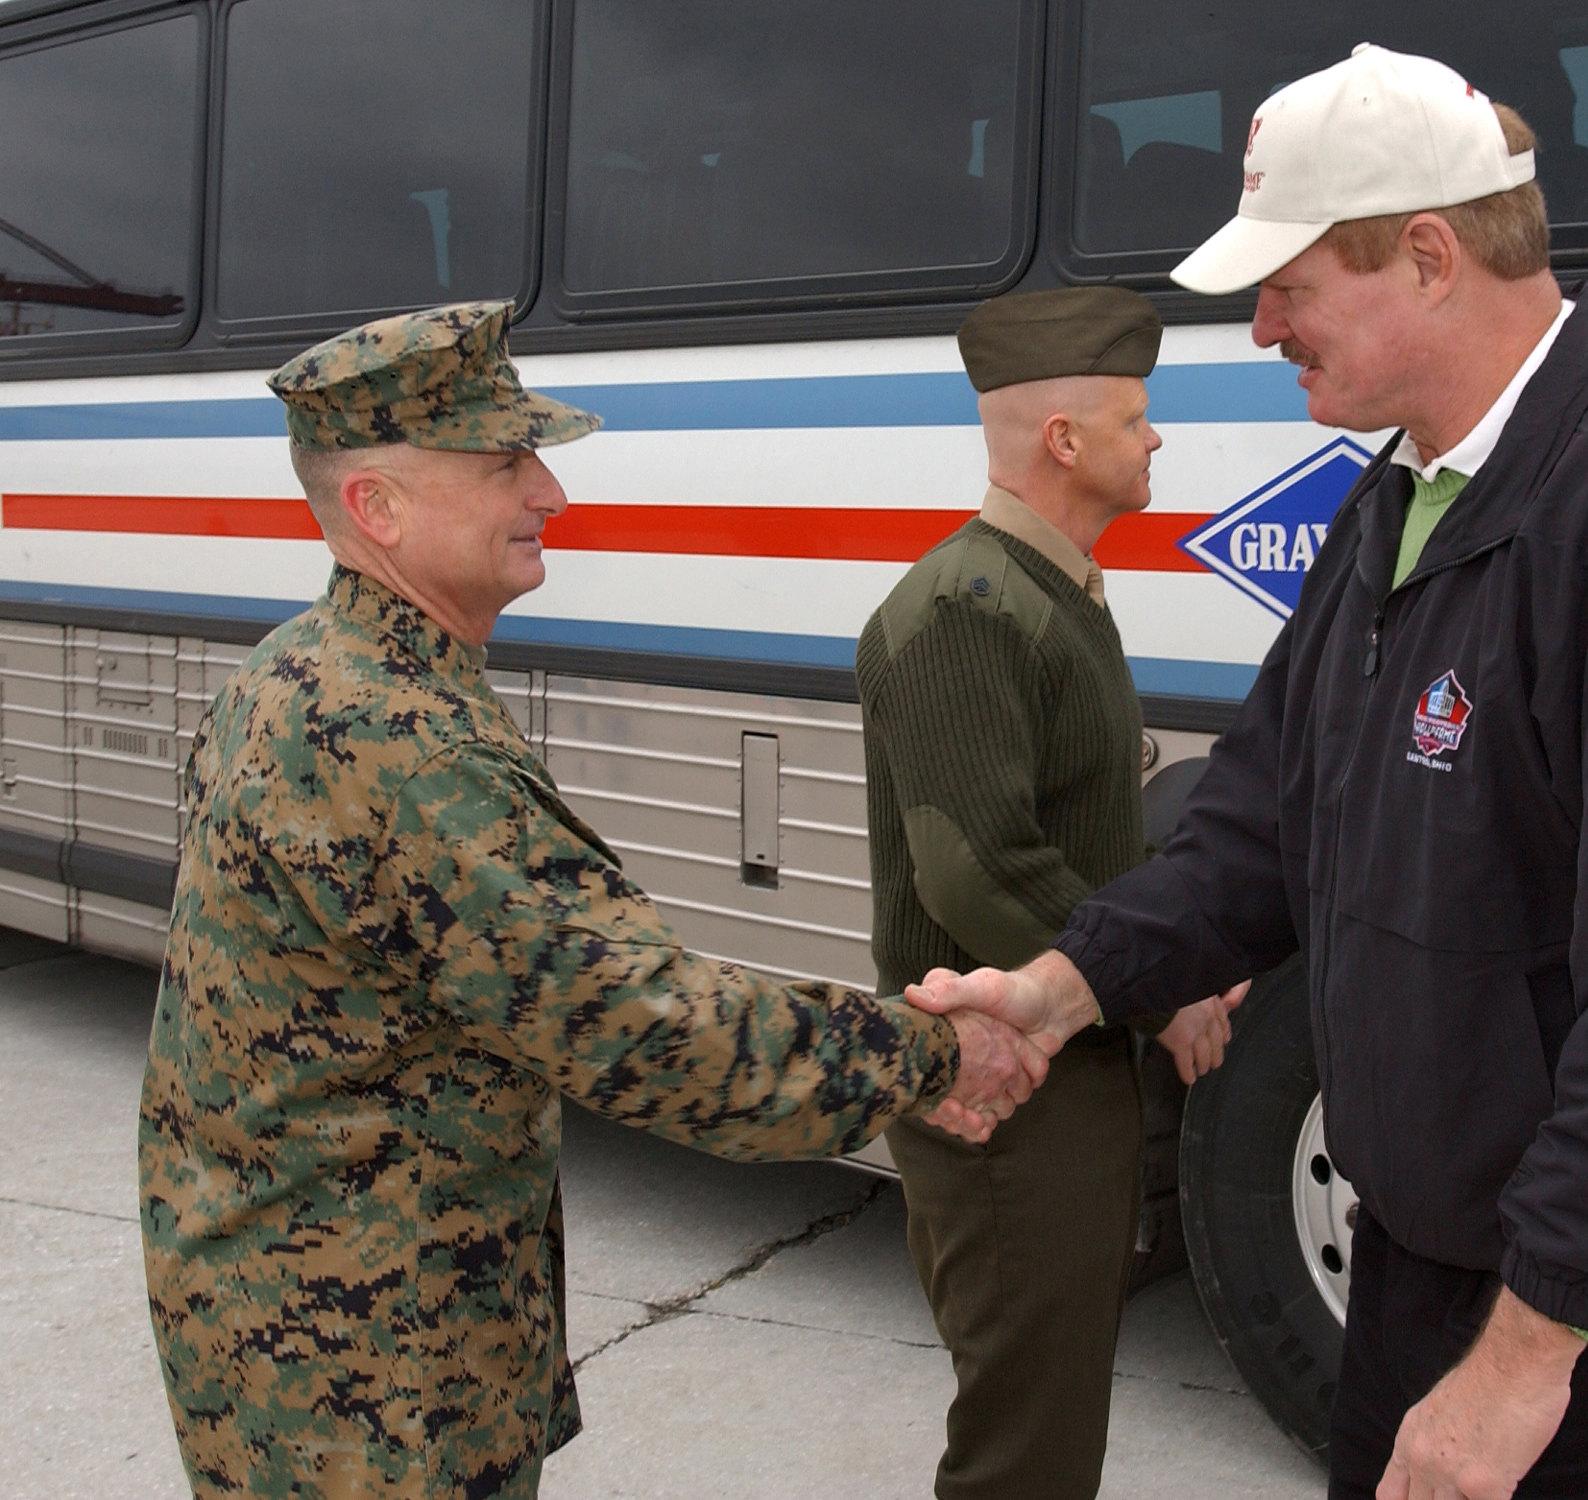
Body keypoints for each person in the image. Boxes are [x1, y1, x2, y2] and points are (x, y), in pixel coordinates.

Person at [909, 46, 1588, 1500]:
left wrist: (1520, 1363)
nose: (1260, 330)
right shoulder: (1408, 488)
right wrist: (1060, 992)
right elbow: (1262, 819)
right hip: (1427, 1266)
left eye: (1290, 286)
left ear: (1429, 256)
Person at [137, 301, 1040, 1500]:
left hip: (292, 1339)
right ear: (378, 510)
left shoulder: (298, 669)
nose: (549, 492)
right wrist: (933, 1055)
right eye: (506, 460)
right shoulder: (398, 743)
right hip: (360, 1396)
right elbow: (656, 1031)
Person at [857, 285, 1243, 1500]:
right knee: (1026, 1444)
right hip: (1001, 1094)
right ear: (1064, 442)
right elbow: (980, 872)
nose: (1158, 439)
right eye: (1136, 418)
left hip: (1055, 1073)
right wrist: (1155, 992)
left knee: (1055, 1413)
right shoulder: (967, 609)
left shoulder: (1049, 591)